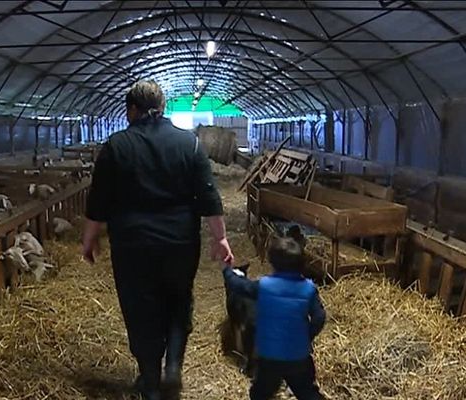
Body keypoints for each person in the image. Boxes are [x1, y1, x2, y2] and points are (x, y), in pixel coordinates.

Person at [82, 80, 234, 400]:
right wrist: (220, 239)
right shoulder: (189, 144)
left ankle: (150, 379)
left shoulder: (116, 145)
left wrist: (90, 238)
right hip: (180, 241)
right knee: (179, 300)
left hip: (132, 244)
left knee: (140, 307)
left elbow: (98, 201)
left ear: (132, 110)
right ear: (163, 108)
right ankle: (174, 367)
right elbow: (208, 195)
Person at [222, 236, 326, 400]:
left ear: (273, 263)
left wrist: (228, 271)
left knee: (259, 393)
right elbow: (320, 317)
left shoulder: (265, 285)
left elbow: (239, 286)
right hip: (299, 357)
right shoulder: (309, 288)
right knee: (308, 393)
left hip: (270, 357)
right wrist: (307, 336)